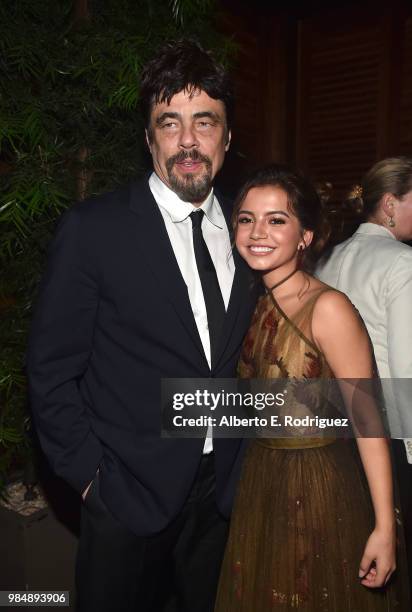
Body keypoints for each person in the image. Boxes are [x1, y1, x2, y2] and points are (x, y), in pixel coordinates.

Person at [27, 39, 256, 612]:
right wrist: (91, 480)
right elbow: (50, 371)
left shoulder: (251, 231)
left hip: (222, 499)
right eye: (168, 123)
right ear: (149, 137)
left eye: (204, 123)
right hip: (127, 494)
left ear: (226, 138)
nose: (187, 141)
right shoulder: (94, 230)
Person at [214, 164, 409, 610]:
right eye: (246, 219)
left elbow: (367, 419)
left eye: (276, 220)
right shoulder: (255, 302)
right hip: (262, 481)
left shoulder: (329, 309)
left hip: (320, 485)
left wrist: (384, 527)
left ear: (305, 236)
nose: (257, 232)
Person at [316, 156, 412, 591]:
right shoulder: (401, 262)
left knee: (346, 556)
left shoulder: (326, 257)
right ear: (390, 204)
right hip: (389, 436)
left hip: (333, 431)